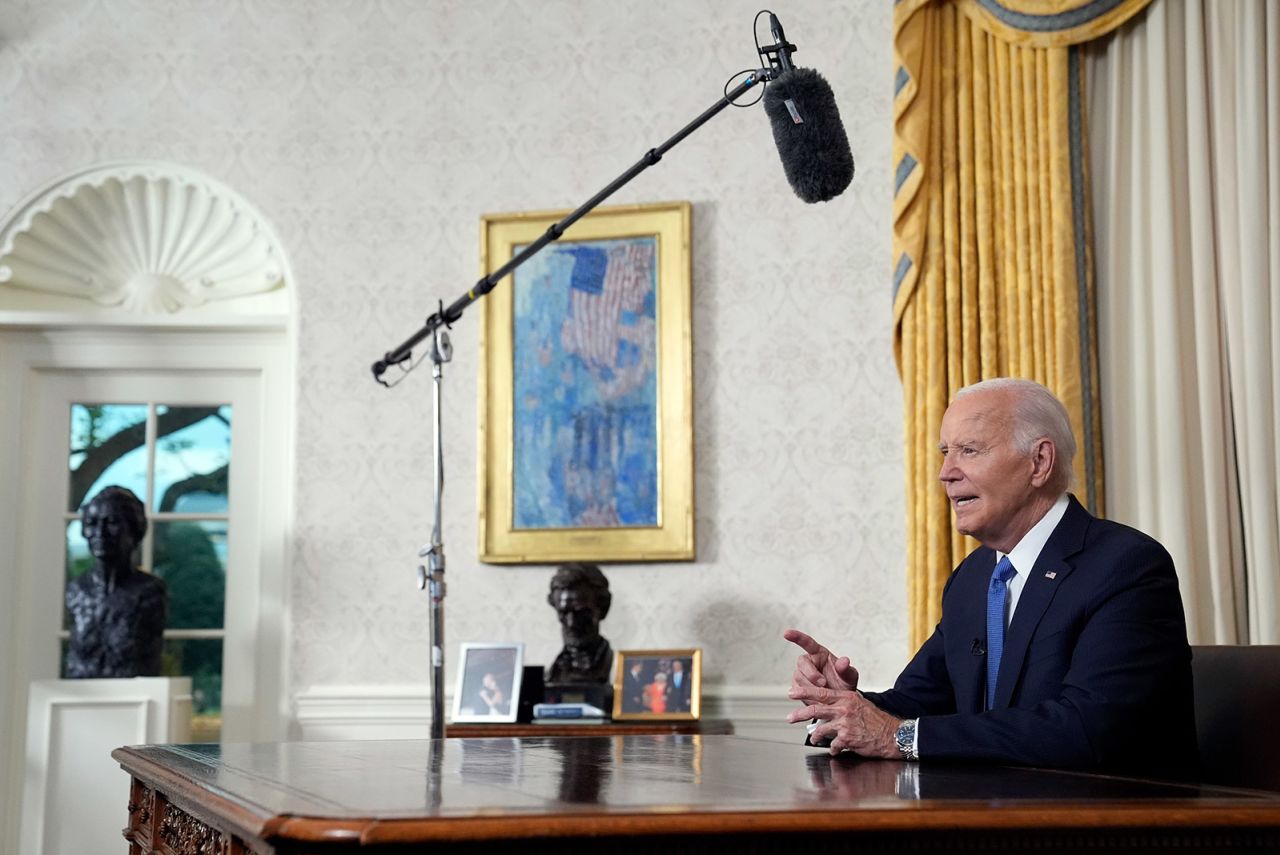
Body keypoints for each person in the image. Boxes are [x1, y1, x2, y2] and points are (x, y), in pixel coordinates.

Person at [785, 378, 1197, 779]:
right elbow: (919, 703)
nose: (946, 473)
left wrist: (896, 735)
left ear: (1039, 462)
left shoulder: (1126, 566)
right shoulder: (975, 576)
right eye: (945, 452)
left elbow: (1087, 729)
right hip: (993, 816)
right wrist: (841, 706)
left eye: (969, 450)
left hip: (1112, 830)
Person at [65, 485, 168, 678]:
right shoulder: (77, 590)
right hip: (79, 701)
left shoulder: (150, 592)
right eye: (92, 523)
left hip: (134, 701)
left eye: (112, 522)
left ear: (133, 529)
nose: (100, 532)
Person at [545, 563, 613, 684]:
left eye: (581, 613)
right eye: (563, 613)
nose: (571, 623)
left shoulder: (616, 669)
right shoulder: (552, 674)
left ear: (603, 609)